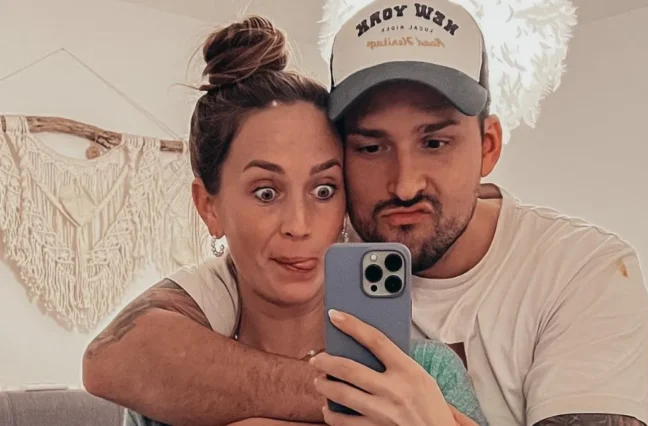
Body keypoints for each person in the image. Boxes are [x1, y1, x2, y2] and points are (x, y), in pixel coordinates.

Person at [84, 0, 648, 425]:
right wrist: (345, 396)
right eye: (371, 146)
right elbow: (120, 357)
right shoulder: (312, 249)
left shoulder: (579, 271)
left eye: (435, 142)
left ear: (488, 147)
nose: (404, 184)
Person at [90, 13, 486, 426]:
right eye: (266, 192)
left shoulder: (427, 372)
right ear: (209, 207)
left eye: (324, 190)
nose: (299, 225)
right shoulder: (170, 385)